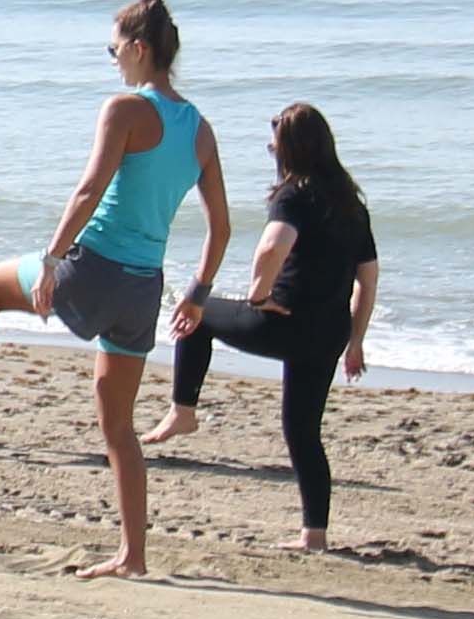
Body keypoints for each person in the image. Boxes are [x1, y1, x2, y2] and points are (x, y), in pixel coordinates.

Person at [0, 0, 225, 578]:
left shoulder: (124, 109)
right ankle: (133, 555)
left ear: (136, 48)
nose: (113, 62)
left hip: (93, 267)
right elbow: (222, 227)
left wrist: (52, 260)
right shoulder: (200, 129)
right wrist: (198, 292)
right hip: (142, 290)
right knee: (119, 428)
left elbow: (89, 190)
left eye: (113, 51)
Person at [152, 101, 380, 546]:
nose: (270, 149)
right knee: (303, 431)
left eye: (273, 143)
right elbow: (367, 281)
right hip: (329, 333)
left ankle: (183, 410)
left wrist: (259, 296)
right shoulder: (351, 204)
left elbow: (271, 248)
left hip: (284, 322)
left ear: (290, 150)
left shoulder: (294, 194)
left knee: (194, 312)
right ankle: (314, 534)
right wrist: (356, 341)